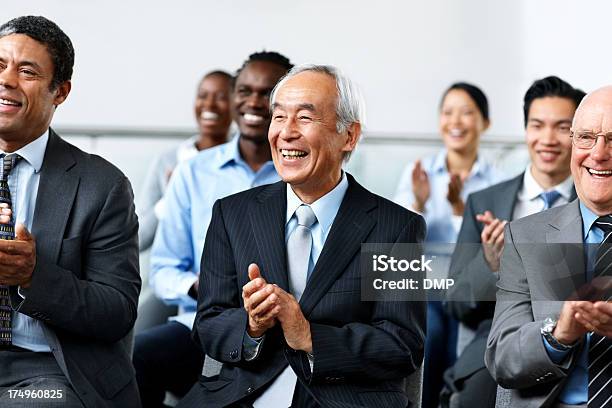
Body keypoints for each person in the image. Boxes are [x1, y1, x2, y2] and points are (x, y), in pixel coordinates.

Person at [179, 64, 426, 408]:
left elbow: (402, 344)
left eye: (305, 119)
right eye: (279, 117)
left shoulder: (397, 228)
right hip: (243, 395)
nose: (286, 133)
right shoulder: (232, 214)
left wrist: (310, 337)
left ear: (349, 136)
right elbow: (208, 324)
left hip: (342, 397)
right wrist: (251, 326)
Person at [133, 51, 292, 408]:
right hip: (203, 323)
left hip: (282, 330)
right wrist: (201, 287)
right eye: (245, 91)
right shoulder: (192, 172)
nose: (254, 102)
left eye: (267, 93)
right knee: (140, 356)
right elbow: (163, 269)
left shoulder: (299, 173)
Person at [0, 16, 140, 407]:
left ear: (59, 92)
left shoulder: (101, 185)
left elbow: (117, 311)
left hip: (48, 372)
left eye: (26, 71)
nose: (7, 80)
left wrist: (31, 276)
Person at [444, 76, 584, 408]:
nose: (548, 139)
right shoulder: (485, 202)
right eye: (537, 125)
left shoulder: (594, 202)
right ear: (525, 131)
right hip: (497, 344)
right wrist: (492, 265)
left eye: (562, 127)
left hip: (578, 344)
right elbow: (455, 302)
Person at [485, 85, 612, 407]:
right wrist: (558, 335)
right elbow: (503, 358)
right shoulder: (527, 237)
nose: (598, 154)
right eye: (585, 137)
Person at [394, 82, 500, 408]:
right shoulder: (418, 173)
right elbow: (396, 245)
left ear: (485, 123)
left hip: (472, 292)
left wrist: (458, 210)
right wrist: (420, 203)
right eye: (448, 112)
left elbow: (487, 251)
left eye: (467, 112)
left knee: (463, 340)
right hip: (426, 289)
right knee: (432, 334)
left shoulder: (498, 180)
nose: (456, 121)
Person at [137, 70, 233, 251]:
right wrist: (172, 196)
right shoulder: (167, 161)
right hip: (171, 274)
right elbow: (139, 238)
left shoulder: (242, 163)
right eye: (202, 96)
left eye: (221, 97)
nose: (209, 104)